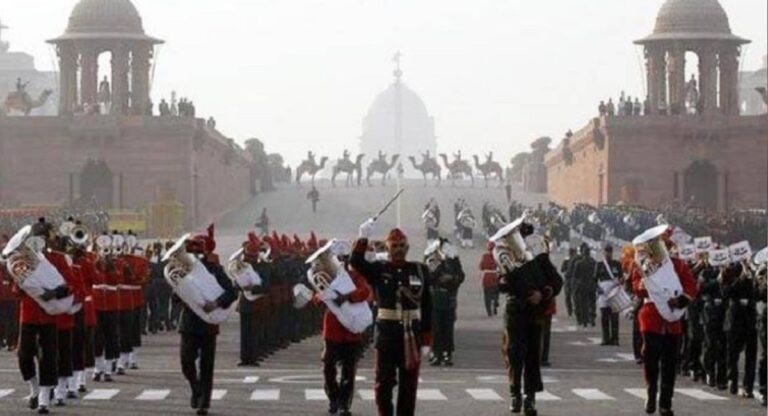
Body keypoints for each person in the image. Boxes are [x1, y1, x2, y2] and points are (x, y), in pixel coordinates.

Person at [350, 221, 432, 416]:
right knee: (383, 384)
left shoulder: (419, 270)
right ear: (387, 248)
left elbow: (428, 305)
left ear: (407, 247)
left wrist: (427, 338)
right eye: (394, 246)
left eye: (402, 246)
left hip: (412, 334)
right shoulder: (379, 269)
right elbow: (356, 262)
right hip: (387, 335)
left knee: (409, 386)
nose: (399, 250)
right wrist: (363, 239)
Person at [492, 219, 562, 416]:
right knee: (514, 353)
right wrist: (522, 290)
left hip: (535, 312)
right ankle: (515, 394)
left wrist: (543, 293)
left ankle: (530, 397)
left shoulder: (539, 257)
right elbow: (501, 285)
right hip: (515, 309)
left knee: (532, 355)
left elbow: (557, 281)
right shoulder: (504, 257)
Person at [630, 226, 697, 416]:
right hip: (651, 317)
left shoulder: (678, 264)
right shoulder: (642, 266)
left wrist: (682, 300)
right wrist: (644, 284)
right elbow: (636, 287)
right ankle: (651, 394)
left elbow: (691, 286)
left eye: (666, 245)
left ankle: (665, 403)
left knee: (670, 364)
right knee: (651, 360)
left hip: (673, 320)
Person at [174, 227, 238, 416]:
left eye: (196, 251)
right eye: (190, 252)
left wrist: (217, 302)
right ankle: (196, 387)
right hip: (189, 322)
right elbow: (175, 297)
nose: (193, 255)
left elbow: (232, 292)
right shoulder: (182, 271)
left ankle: (204, 403)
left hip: (209, 323)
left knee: (207, 366)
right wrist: (182, 293)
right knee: (186, 362)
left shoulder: (215, 270)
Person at [307, 241, 371, 416]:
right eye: (337, 258)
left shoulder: (356, 276)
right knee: (328, 367)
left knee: (349, 371)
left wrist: (348, 297)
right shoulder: (324, 275)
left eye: (343, 258)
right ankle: (334, 397)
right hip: (333, 328)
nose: (340, 261)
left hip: (351, 329)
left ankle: (344, 404)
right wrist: (323, 297)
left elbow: (366, 292)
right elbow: (316, 298)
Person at [425, 239, 464, 366]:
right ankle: (436, 353)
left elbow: (461, 275)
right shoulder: (432, 259)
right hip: (435, 298)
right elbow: (428, 277)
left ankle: (447, 353)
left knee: (448, 328)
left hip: (449, 298)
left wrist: (452, 278)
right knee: (436, 328)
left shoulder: (453, 259)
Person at [722, 260, 758, 397]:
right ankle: (732, 380)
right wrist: (741, 277)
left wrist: (751, 272)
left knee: (751, 356)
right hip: (734, 321)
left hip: (749, 320)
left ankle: (748, 387)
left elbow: (757, 292)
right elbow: (726, 292)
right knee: (732, 354)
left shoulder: (752, 273)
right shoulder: (729, 271)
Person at [595, 245, 622, 346]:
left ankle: (615, 338)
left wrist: (620, 282)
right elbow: (594, 279)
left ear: (612, 252)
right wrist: (598, 288)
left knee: (615, 317)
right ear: (603, 252)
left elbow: (621, 276)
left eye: (609, 251)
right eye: (606, 251)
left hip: (614, 292)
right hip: (603, 293)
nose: (608, 254)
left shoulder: (617, 264)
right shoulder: (599, 265)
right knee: (604, 317)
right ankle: (605, 338)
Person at [570, 243, 596, 327]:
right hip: (591, 284)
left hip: (582, 285)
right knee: (592, 303)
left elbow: (575, 276)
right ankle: (592, 319)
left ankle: (584, 321)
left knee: (583, 304)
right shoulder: (593, 262)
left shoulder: (578, 263)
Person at [479, 243, 499, 317]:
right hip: (496, 276)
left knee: (487, 295)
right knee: (496, 292)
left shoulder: (485, 256)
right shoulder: (498, 256)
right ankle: (495, 303)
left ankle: (489, 311)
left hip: (487, 277)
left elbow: (481, 267)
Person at [560, 247, 577, 318]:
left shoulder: (567, 259)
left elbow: (562, 269)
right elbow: (562, 269)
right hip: (572, 280)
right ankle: (573, 311)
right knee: (573, 296)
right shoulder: (575, 259)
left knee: (569, 296)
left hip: (570, 280)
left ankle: (571, 311)